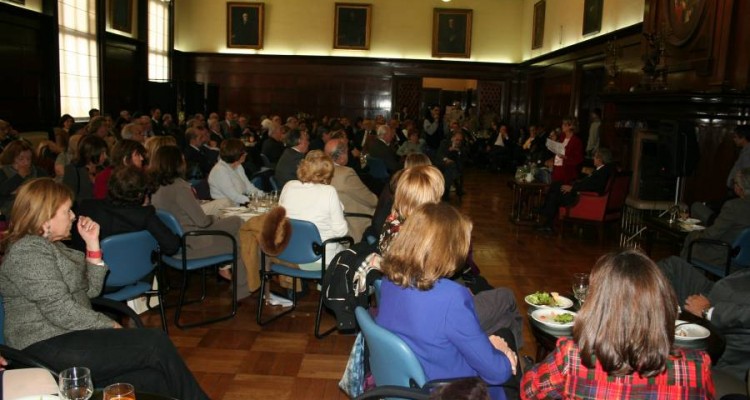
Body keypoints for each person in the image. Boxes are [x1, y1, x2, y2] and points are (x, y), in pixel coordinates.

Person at [0, 178, 209, 399]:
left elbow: (90, 291)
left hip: (69, 336)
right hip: (44, 345)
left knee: (153, 378)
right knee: (155, 344)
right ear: (45, 219)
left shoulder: (54, 247)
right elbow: (60, 310)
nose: (73, 216)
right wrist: (108, 324)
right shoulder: (28, 251)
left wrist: (92, 245)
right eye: (66, 211)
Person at [522, 250, 714, 399]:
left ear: (598, 303)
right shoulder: (696, 365)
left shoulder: (573, 357)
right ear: (662, 303)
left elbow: (528, 391)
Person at [377, 203, 516, 400]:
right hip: (449, 390)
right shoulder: (451, 297)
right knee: (506, 342)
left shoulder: (389, 279)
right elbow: (496, 374)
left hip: (406, 378)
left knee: (503, 326)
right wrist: (502, 352)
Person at [149, 145, 253, 298]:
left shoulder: (155, 187)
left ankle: (241, 282)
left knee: (236, 223)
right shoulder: (179, 187)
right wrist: (216, 218)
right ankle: (243, 289)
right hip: (193, 243)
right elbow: (203, 221)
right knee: (240, 238)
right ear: (176, 163)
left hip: (173, 245)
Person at [73, 166, 179, 256]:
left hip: (94, 271)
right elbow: (172, 247)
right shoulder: (145, 216)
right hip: (137, 272)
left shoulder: (87, 206)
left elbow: (77, 246)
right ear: (140, 194)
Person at [279, 150, 349, 267]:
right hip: (320, 259)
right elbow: (341, 232)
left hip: (289, 254)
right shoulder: (329, 192)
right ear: (327, 173)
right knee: (351, 254)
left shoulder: (289, 186)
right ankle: (324, 285)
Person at [536, 148, 615, 233]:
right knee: (557, 185)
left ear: (600, 159)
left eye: (595, 157)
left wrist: (572, 189)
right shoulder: (605, 169)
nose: (593, 159)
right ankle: (545, 215)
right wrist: (573, 187)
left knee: (556, 193)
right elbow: (589, 183)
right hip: (581, 193)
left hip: (583, 199)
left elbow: (591, 186)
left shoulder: (602, 172)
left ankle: (546, 219)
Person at [208, 138, 264, 207]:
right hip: (225, 209)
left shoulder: (238, 165)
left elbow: (248, 187)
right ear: (237, 155)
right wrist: (255, 201)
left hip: (237, 205)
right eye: (244, 152)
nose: (246, 154)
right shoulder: (220, 171)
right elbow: (234, 196)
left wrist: (263, 196)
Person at [0, 140, 47, 216]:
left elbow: (48, 187)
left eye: (28, 159)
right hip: (11, 210)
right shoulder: (3, 172)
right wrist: (20, 176)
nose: (26, 162)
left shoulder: (38, 171)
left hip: (37, 206)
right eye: (21, 159)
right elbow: (3, 191)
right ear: (11, 159)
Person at [62, 135, 108, 203]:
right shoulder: (73, 170)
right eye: (102, 153)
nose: (105, 156)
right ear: (91, 153)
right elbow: (69, 197)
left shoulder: (104, 168)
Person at [549, 116, 583, 184]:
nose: (562, 126)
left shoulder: (576, 141)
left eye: (564, 125)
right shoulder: (562, 137)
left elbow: (578, 159)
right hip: (556, 168)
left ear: (571, 126)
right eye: (563, 124)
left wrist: (565, 157)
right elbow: (558, 150)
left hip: (566, 171)